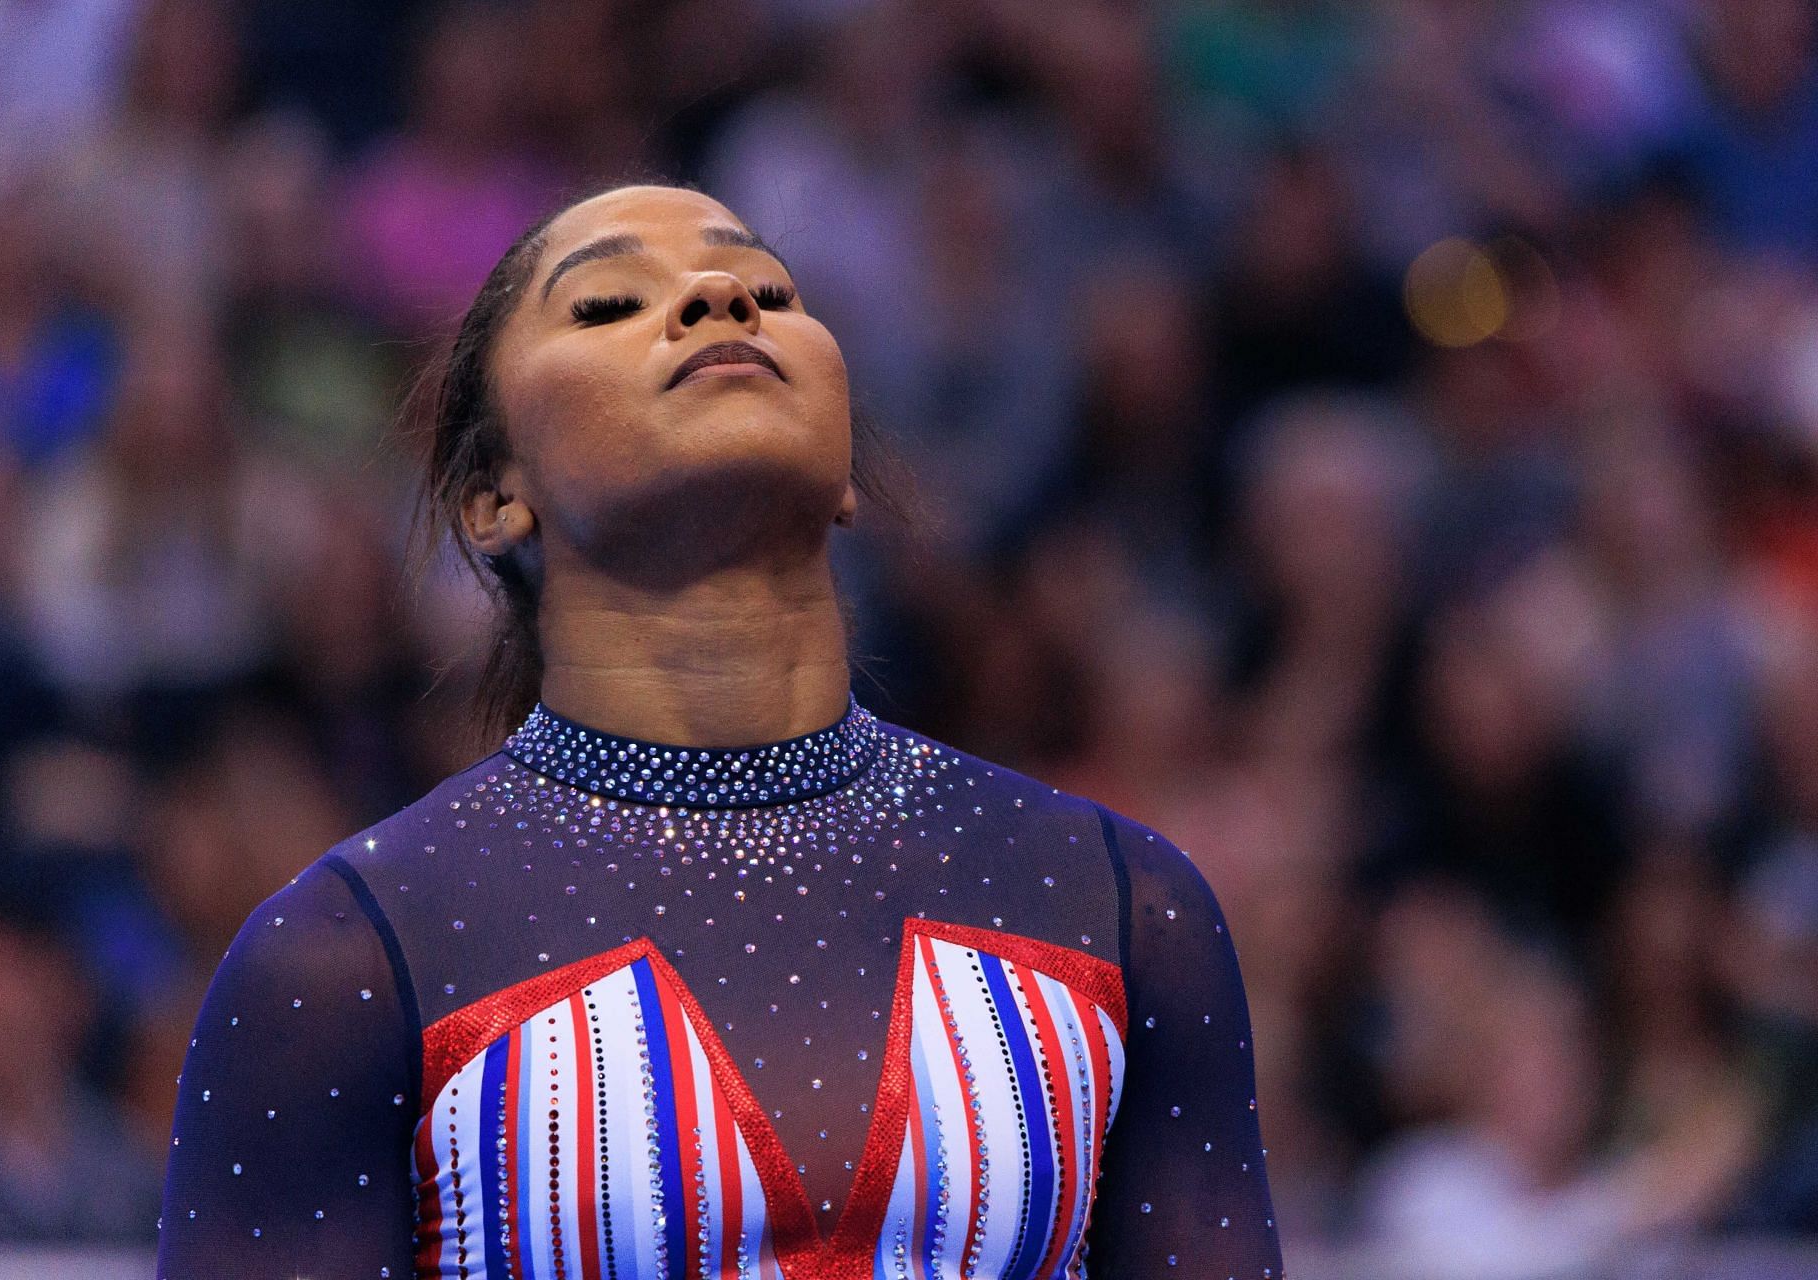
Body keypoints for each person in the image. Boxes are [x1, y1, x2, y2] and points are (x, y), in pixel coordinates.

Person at [156, 181, 1285, 1279]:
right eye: (607, 305)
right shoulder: (343, 957)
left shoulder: (1121, 903)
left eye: (771, 292)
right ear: (493, 496)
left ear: (847, 469)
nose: (717, 299)